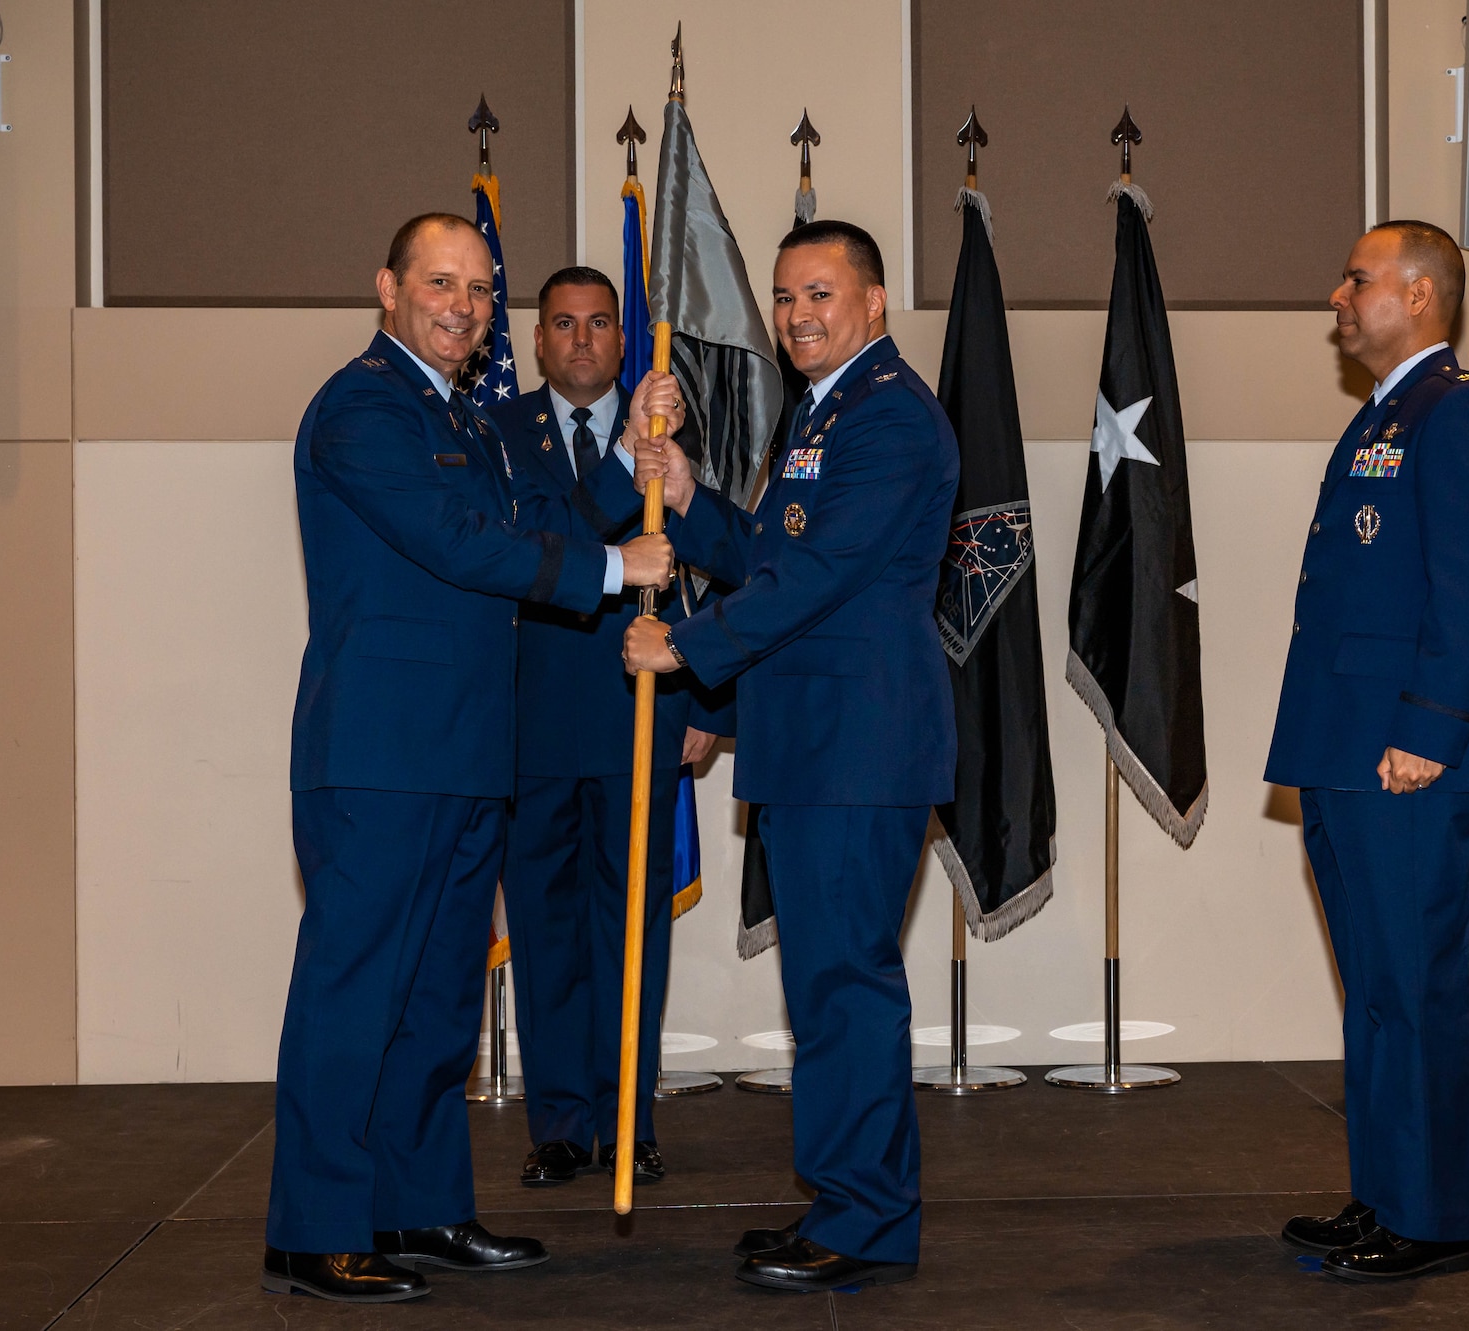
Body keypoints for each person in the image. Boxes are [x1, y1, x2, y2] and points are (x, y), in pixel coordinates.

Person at [265, 214, 674, 1304]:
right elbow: (458, 540)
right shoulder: (360, 406)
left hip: (465, 753)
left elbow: (548, 516)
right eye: (440, 282)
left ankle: (419, 1206)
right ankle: (314, 1230)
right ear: (386, 288)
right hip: (381, 755)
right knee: (355, 994)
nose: (463, 305)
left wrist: (636, 441)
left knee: (440, 1000)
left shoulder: (474, 420)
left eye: (481, 289)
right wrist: (605, 565)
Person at [622, 220, 957, 1293]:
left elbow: (818, 578)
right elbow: (775, 550)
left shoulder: (894, 418)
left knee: (847, 983)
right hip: (810, 744)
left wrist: (685, 644)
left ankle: (865, 1219)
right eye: (782, 296)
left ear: (873, 300)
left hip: (858, 748)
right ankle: (842, 1198)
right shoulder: (824, 413)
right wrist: (685, 497)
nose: (797, 315)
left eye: (819, 292)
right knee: (821, 986)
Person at [1265, 220, 1469, 1283]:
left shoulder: (1456, 411)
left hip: (1402, 757)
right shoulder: (1380, 417)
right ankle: (1383, 1193)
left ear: (1417, 294)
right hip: (1342, 748)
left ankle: (1430, 1218)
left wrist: (1426, 731)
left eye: (1357, 278)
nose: (1337, 294)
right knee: (1371, 987)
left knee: (1411, 987)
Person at [487, 267, 724, 1190]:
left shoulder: (668, 432)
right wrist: (627, 459)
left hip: (643, 712)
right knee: (548, 928)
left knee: (635, 928)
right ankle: (558, 1122)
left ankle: (630, 1117)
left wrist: (705, 694)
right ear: (538, 342)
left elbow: (700, 563)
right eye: (562, 325)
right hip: (535, 721)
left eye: (599, 324)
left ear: (626, 341)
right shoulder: (499, 434)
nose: (582, 340)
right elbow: (542, 545)